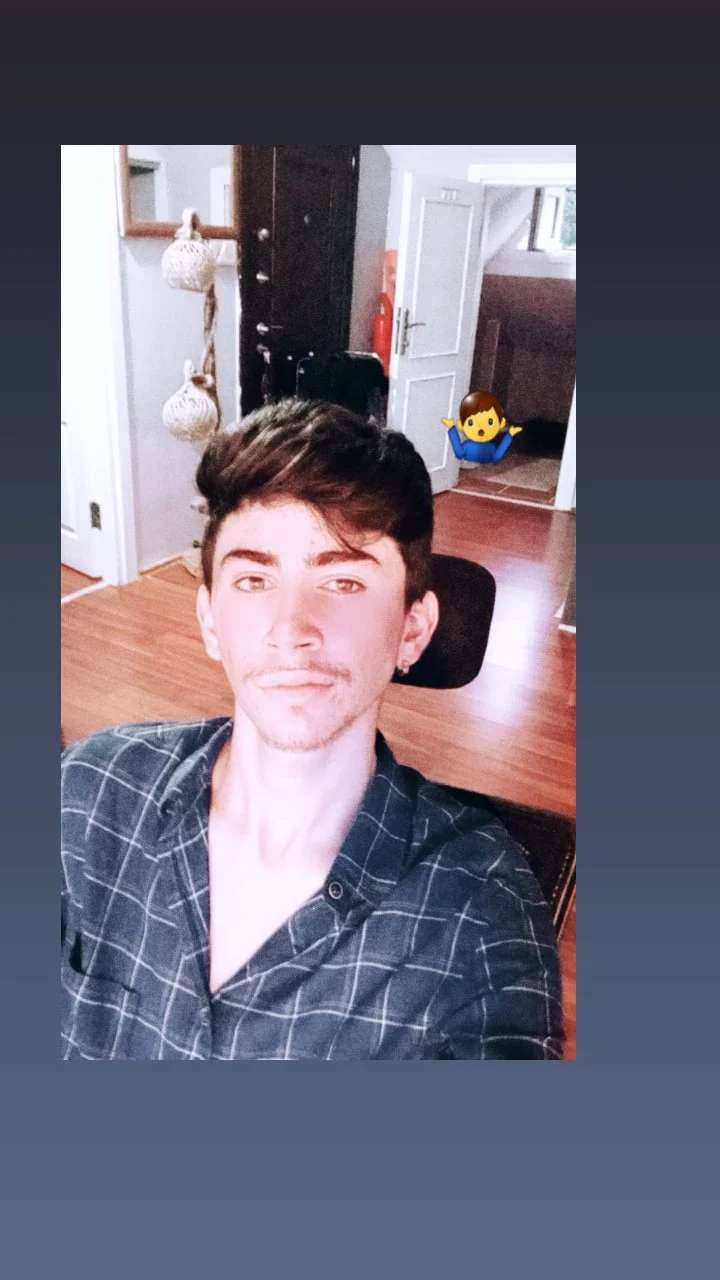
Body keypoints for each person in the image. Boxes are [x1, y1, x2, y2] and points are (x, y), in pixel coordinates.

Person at [61, 398, 563, 1060]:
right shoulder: (91, 790)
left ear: (412, 629)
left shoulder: (476, 914)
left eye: (344, 582)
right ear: (210, 621)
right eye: (253, 580)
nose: (291, 629)